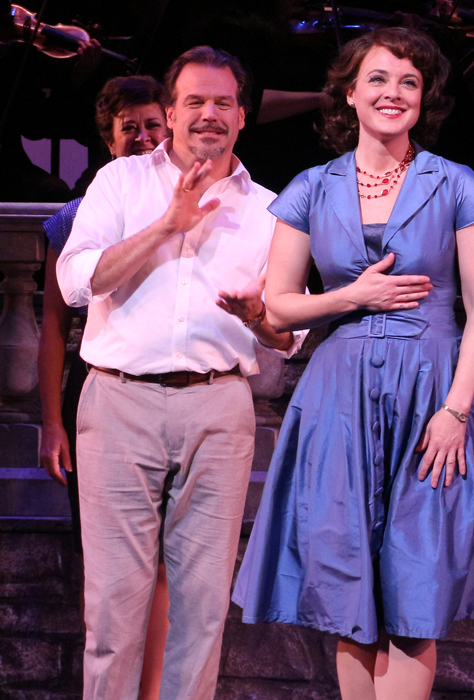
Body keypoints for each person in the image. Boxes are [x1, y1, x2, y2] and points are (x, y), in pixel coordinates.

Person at [233, 27, 474, 699]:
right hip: (340, 400)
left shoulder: (455, 184)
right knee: (347, 594)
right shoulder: (310, 187)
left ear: (424, 100)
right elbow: (278, 304)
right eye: (379, 79)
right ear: (350, 94)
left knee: (417, 595)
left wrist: (456, 410)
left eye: (409, 82)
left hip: (432, 395)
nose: (394, 93)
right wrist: (352, 296)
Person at [56, 45, 303, 700]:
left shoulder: (272, 209)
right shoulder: (123, 183)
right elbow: (77, 280)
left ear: (243, 117)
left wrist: (260, 319)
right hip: (118, 402)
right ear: (171, 111)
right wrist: (167, 225)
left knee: (203, 608)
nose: (209, 115)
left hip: (217, 407)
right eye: (195, 101)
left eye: (223, 103)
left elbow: (289, 335)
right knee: (112, 607)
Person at [38, 74, 171, 700]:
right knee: (111, 566)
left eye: (151, 124)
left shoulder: (193, 202)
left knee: (169, 565)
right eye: (129, 129)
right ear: (108, 137)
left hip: (169, 401)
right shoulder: (76, 217)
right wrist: (53, 423)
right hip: (97, 393)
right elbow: (51, 330)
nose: (143, 137)